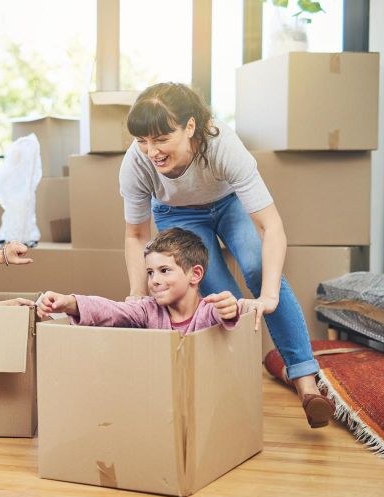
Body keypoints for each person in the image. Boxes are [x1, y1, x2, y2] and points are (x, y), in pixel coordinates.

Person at [119, 82, 334, 429]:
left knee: (258, 267)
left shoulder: (221, 144)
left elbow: (270, 227)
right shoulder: (137, 164)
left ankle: (308, 386)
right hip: (177, 213)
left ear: (190, 127)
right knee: (220, 295)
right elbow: (136, 234)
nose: (151, 151)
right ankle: (239, 389)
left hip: (228, 203)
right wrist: (136, 294)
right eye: (142, 140)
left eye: (161, 139)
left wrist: (269, 294)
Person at [37, 228, 241, 333]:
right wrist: (68, 303)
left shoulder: (207, 311)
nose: (154, 280)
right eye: (150, 272)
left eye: (164, 270)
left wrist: (228, 310)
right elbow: (110, 310)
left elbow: (224, 315)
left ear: (195, 274)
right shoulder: (148, 310)